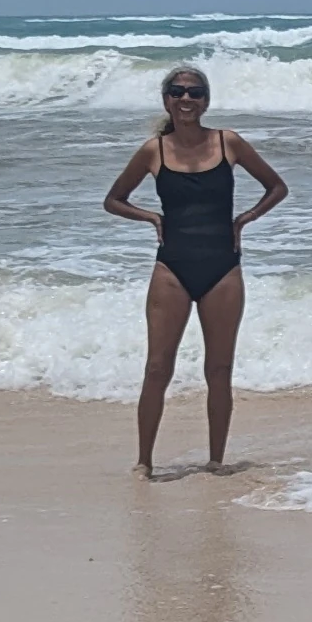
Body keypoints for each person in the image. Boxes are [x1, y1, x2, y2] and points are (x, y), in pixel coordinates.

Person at [102, 65, 289, 479]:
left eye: (195, 92)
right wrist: (150, 217)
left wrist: (244, 221)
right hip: (172, 267)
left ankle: (216, 461)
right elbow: (113, 199)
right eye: (177, 91)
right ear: (166, 98)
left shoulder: (229, 142)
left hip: (223, 268)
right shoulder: (154, 150)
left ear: (206, 100)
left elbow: (277, 187)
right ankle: (144, 463)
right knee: (157, 368)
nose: (186, 99)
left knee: (219, 369)